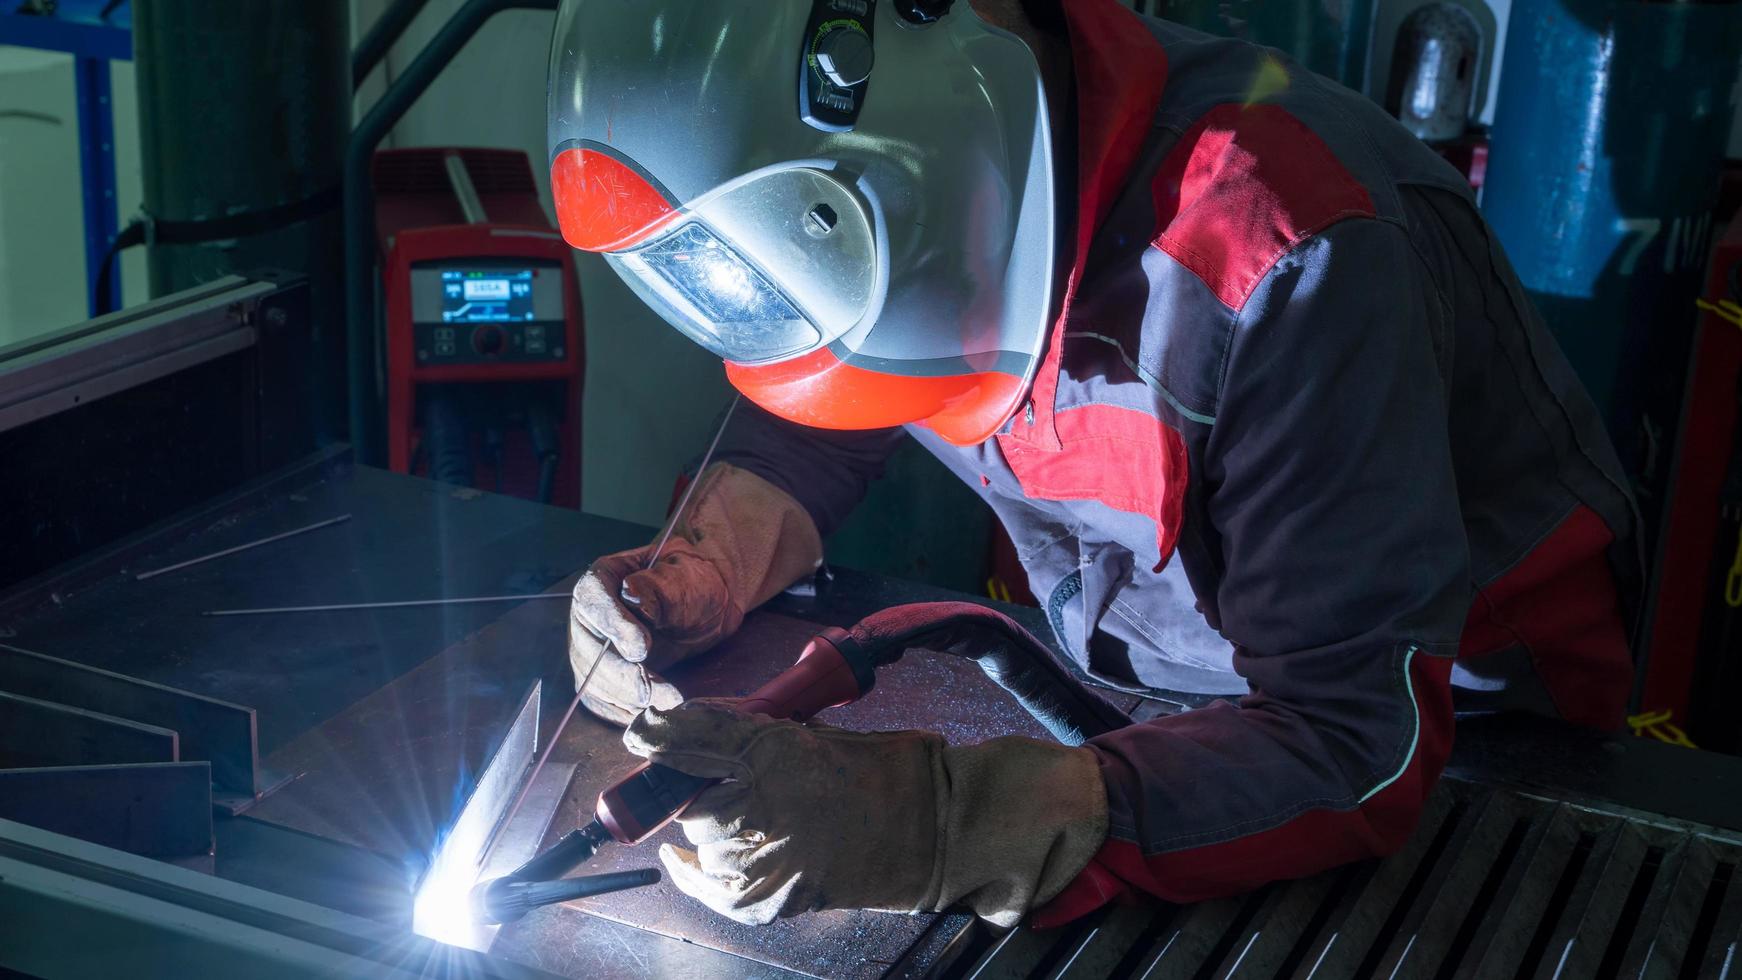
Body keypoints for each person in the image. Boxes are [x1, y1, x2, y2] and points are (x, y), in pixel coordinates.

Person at [545, 0, 1641, 928]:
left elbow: (1352, 739)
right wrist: (707, 559)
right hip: (1163, 699)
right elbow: (831, 385)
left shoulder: (1288, 247)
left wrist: (930, 825)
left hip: (1465, 751)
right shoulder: (923, 209)